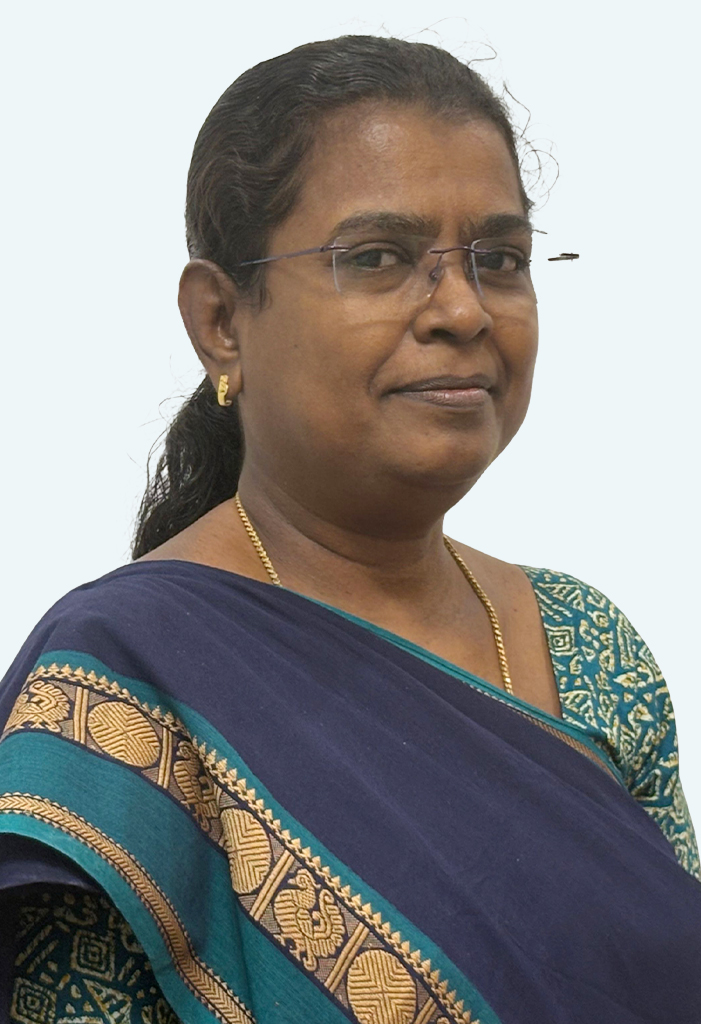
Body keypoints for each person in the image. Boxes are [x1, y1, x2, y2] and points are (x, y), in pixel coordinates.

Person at [0, 34, 699, 1024]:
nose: (462, 309)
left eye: (499, 259)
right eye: (378, 258)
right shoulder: (113, 696)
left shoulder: (584, 644)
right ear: (220, 321)